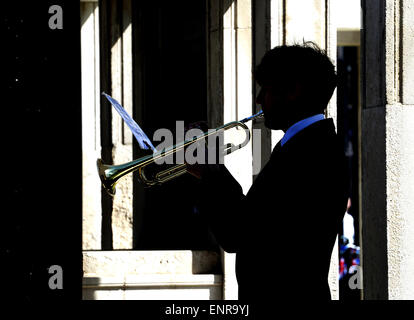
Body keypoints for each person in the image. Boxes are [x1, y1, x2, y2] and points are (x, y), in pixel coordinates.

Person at [186, 42, 348, 301]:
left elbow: (236, 234)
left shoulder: (309, 153)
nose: (259, 99)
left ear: (293, 91)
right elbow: (253, 221)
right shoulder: (305, 145)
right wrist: (212, 172)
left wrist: (211, 173)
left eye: (267, 89)